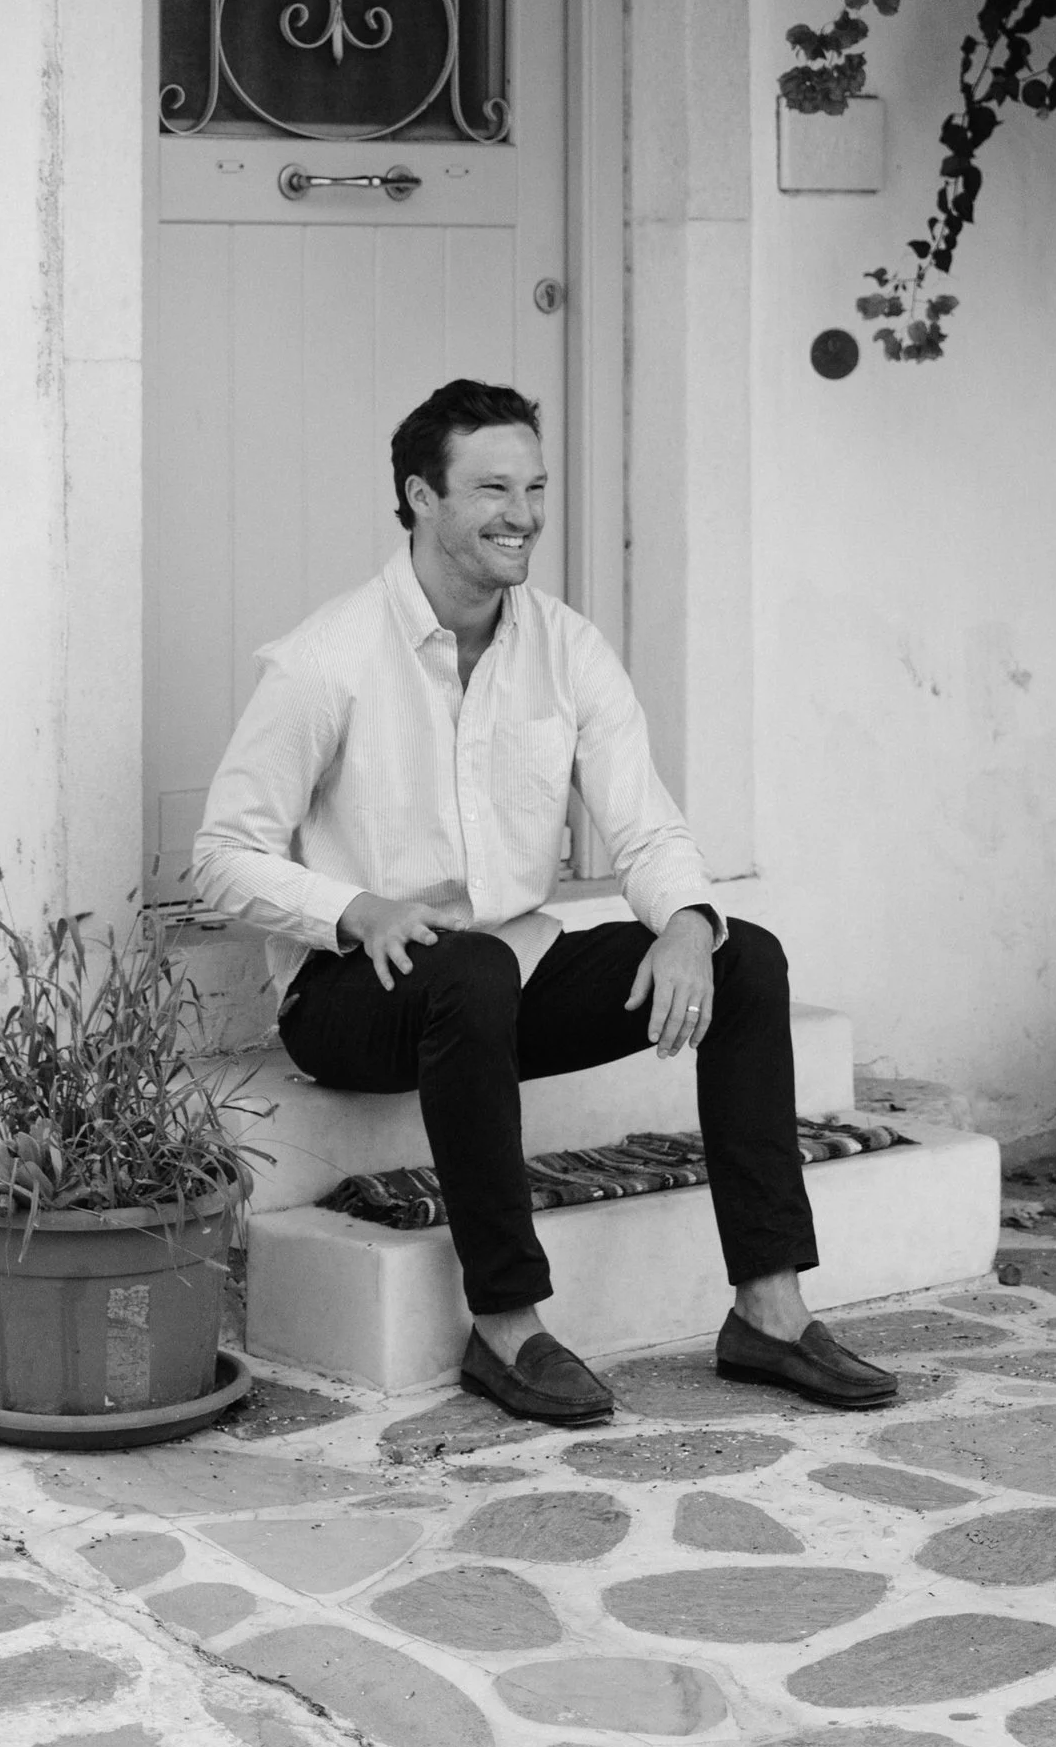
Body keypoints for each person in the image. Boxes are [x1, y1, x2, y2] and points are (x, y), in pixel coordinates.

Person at [195, 376, 896, 1430]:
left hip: (499, 981)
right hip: (357, 997)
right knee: (468, 969)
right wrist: (356, 910)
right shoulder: (326, 662)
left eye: (533, 486)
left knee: (745, 956)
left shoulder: (566, 648)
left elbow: (645, 828)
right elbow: (221, 856)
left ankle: (769, 1310)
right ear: (420, 498)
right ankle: (508, 1324)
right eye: (490, 488)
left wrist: (689, 926)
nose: (521, 513)